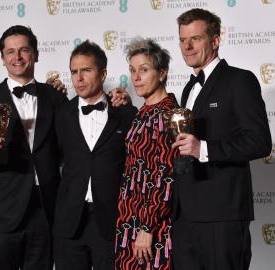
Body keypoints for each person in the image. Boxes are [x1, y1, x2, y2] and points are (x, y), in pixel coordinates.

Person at [171, 8, 272, 270]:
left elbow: (260, 141)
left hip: (222, 216)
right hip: (184, 216)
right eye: (183, 40)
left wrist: (203, 148)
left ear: (215, 40)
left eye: (196, 38)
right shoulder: (188, 88)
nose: (188, 47)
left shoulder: (240, 80)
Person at [0, 25, 68, 270]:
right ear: (3, 58)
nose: (17, 58)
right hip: (2, 211)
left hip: (45, 209)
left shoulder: (56, 97)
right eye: (10, 52)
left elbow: (69, 149)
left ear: (36, 54)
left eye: (24, 50)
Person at [53, 40, 137, 270]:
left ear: (103, 73)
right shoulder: (61, 114)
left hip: (111, 221)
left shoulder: (126, 113)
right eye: (74, 72)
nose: (78, 78)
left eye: (86, 70)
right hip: (70, 221)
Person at [114, 38, 179, 270]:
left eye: (144, 70)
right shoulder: (143, 111)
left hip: (152, 226)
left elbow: (166, 176)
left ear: (162, 73)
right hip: (129, 220)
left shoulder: (169, 115)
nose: (136, 77)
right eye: (132, 71)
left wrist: (147, 227)